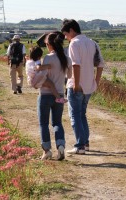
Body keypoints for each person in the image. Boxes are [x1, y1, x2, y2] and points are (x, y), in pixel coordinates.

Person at [61, 19, 104, 154]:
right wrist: (96, 81)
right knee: (82, 115)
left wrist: (76, 83)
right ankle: (85, 144)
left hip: (76, 85)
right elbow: (100, 64)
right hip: (89, 85)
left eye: (66, 35)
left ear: (72, 31)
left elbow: (75, 65)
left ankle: (80, 146)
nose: (66, 38)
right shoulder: (92, 43)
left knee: (75, 116)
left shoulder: (74, 43)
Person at [37, 32, 72, 160]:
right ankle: (61, 146)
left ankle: (47, 151)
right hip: (60, 94)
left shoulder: (47, 58)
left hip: (45, 94)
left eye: (46, 44)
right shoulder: (66, 59)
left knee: (43, 123)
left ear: (50, 45)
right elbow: (70, 76)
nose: (46, 46)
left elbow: (42, 76)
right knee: (57, 122)